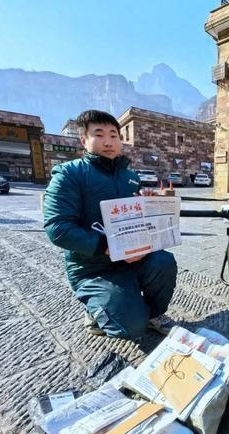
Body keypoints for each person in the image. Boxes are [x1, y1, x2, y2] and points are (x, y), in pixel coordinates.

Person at [44, 110, 177, 339]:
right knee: (132, 328)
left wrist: (155, 203)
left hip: (131, 259)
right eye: (99, 134)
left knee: (163, 261)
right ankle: (96, 311)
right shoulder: (68, 174)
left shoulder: (130, 176)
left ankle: (153, 314)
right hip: (92, 267)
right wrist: (107, 246)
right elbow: (57, 228)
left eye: (114, 135)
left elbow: (137, 219)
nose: (108, 142)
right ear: (83, 140)